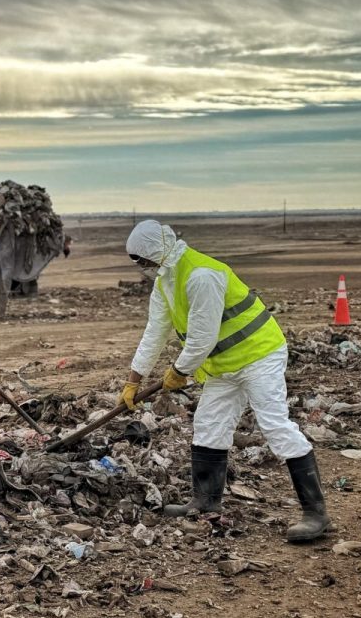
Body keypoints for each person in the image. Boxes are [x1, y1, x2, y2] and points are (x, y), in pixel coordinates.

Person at [120, 220, 330, 542]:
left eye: (144, 260)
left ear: (156, 252)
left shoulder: (202, 275)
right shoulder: (165, 281)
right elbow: (155, 332)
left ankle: (315, 513)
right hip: (224, 367)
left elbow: (202, 338)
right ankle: (205, 502)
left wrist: (179, 372)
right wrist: (133, 381)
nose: (143, 268)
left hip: (259, 356)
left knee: (274, 425)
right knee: (208, 425)